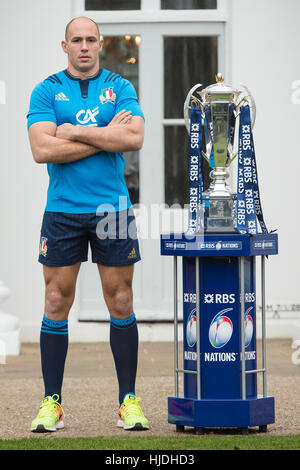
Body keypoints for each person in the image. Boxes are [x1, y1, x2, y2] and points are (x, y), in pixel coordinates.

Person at [27, 16, 149, 432]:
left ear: (101, 43)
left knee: (121, 300)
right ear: (65, 46)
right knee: (56, 301)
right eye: (76, 40)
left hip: (112, 208)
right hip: (62, 209)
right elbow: (42, 149)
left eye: (90, 39)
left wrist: (75, 131)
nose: (83, 46)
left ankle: (128, 402)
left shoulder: (122, 87)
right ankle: (51, 403)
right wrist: (101, 136)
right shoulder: (47, 89)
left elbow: (133, 139)